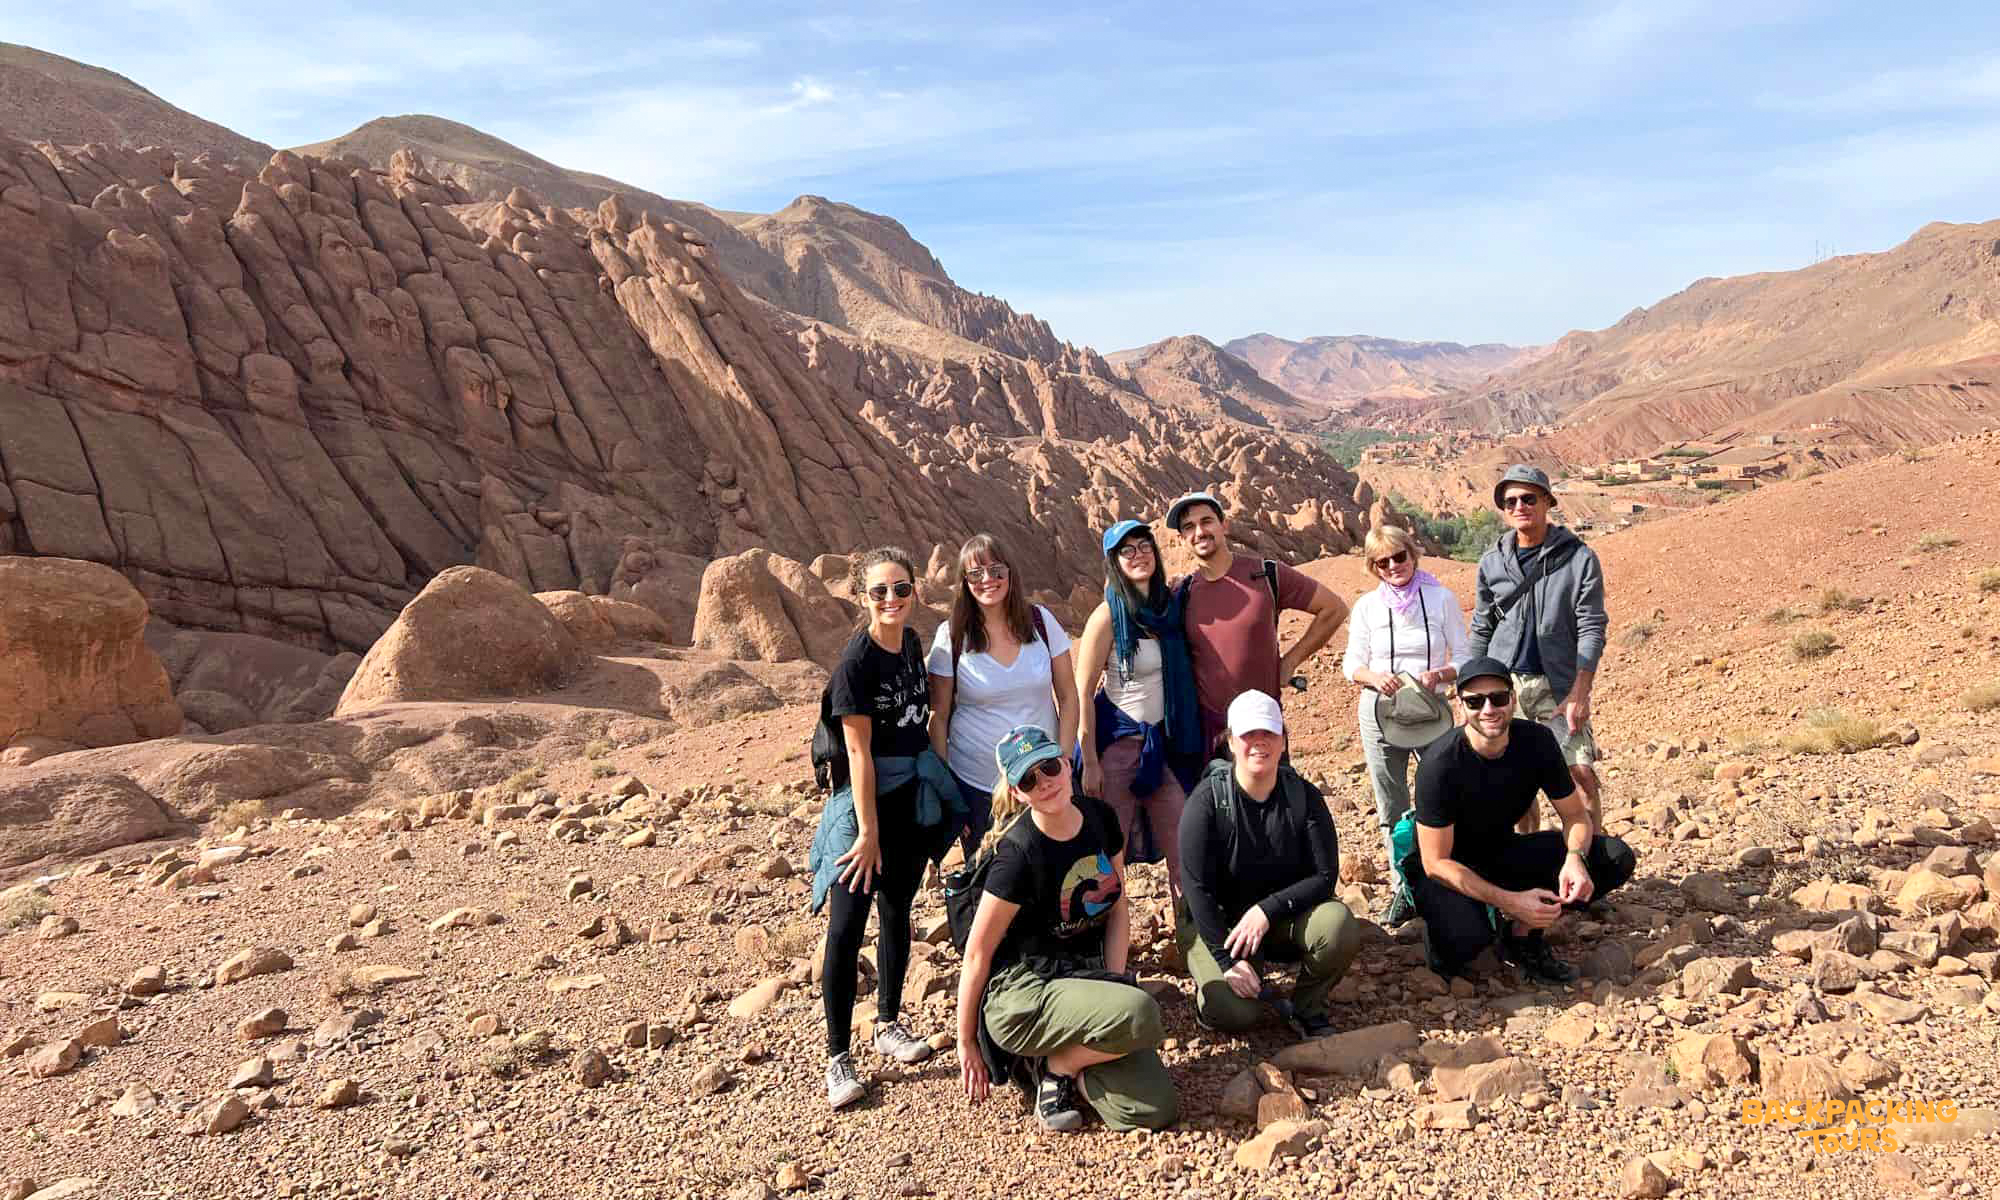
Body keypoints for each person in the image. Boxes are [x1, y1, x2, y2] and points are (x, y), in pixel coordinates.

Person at [956, 725, 1179, 1133]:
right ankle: (1052, 1064)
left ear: (1066, 762)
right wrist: (966, 1041)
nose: (1044, 782)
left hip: (1080, 975)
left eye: (1049, 767)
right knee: (1141, 1013)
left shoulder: (1101, 818)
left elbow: (1117, 905)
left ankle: (1056, 1065)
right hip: (1024, 993)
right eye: (1028, 779)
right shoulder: (1017, 855)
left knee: (1154, 1108)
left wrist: (1112, 983)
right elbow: (977, 954)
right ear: (1017, 793)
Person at [807, 548, 962, 1110]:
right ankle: (837, 1057)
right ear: (862, 597)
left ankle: (888, 1023)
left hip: (908, 803)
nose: (892, 599)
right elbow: (858, 754)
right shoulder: (857, 663)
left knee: (897, 911)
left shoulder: (912, 645)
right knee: (847, 928)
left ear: (914, 591)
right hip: (865, 808)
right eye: (879, 591)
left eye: (901, 588)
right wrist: (866, 834)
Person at [1408, 656, 1636, 984]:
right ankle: (1448, 930)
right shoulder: (1440, 764)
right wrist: (1511, 901)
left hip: (1502, 851)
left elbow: (1575, 815)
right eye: (1475, 701)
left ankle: (1521, 935)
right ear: (1461, 706)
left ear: (1513, 699)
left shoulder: (1536, 741)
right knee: (1467, 941)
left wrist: (1575, 859)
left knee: (1614, 858)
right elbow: (1435, 862)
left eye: (1498, 698)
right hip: (1449, 868)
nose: (1489, 709)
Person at [1177, 691, 1360, 1038]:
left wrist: (1266, 910)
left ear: (1283, 741)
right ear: (1231, 742)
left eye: (1269, 733)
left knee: (1337, 925)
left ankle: (1307, 1008)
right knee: (1236, 1013)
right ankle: (1211, 997)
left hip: (1275, 921)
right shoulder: (1207, 802)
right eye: (1249, 733)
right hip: (1218, 924)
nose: (1259, 742)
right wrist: (1227, 962)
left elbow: (1325, 876)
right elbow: (1197, 890)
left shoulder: (1303, 796)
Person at [1465, 465, 1608, 834]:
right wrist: (1467, 691)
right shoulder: (1493, 561)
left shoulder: (1579, 558)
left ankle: (1592, 859)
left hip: (1557, 684)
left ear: (1547, 501)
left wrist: (1580, 692)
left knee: (1580, 775)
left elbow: (1592, 627)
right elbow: (1482, 626)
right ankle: (1526, 860)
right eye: (1510, 501)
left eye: (1528, 498)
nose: (1520, 506)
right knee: (1516, 786)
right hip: (1503, 687)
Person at [1342, 524, 1469, 926]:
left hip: (1431, 710)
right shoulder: (1367, 607)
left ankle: (1449, 881)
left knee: (1444, 794)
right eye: (1383, 562)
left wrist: (1441, 674)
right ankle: (1405, 889)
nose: (1393, 566)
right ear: (1373, 567)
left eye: (1399, 557)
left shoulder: (1441, 598)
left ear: (1413, 555)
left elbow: (1465, 655)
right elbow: (1351, 663)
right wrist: (1374, 677)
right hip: (1380, 712)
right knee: (1391, 804)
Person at [1166, 491, 1348, 757]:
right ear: (1182, 538)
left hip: (1263, 728)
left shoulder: (1267, 574)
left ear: (1224, 525)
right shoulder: (1181, 593)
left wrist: (1290, 661)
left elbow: (1333, 609)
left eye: (1206, 521)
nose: (1199, 532)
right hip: (1208, 736)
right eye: (1189, 527)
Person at [1073, 519, 1202, 893]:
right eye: (1126, 550)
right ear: (1114, 562)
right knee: (1109, 858)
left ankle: (1191, 930)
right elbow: (1082, 692)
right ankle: (1107, 931)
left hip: (1163, 746)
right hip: (1118, 747)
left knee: (1185, 850)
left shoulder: (1170, 609)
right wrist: (1090, 761)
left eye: (1144, 546)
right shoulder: (1107, 616)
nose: (1138, 555)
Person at [929, 534, 1078, 858]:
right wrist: (947, 790)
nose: (988, 579)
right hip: (977, 786)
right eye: (975, 573)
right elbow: (938, 717)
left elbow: (1068, 695)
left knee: (1055, 870)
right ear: (964, 581)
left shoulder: (1041, 622)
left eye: (996, 570)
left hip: (1044, 780)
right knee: (992, 875)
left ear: (1010, 573)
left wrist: (1063, 760)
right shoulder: (951, 635)